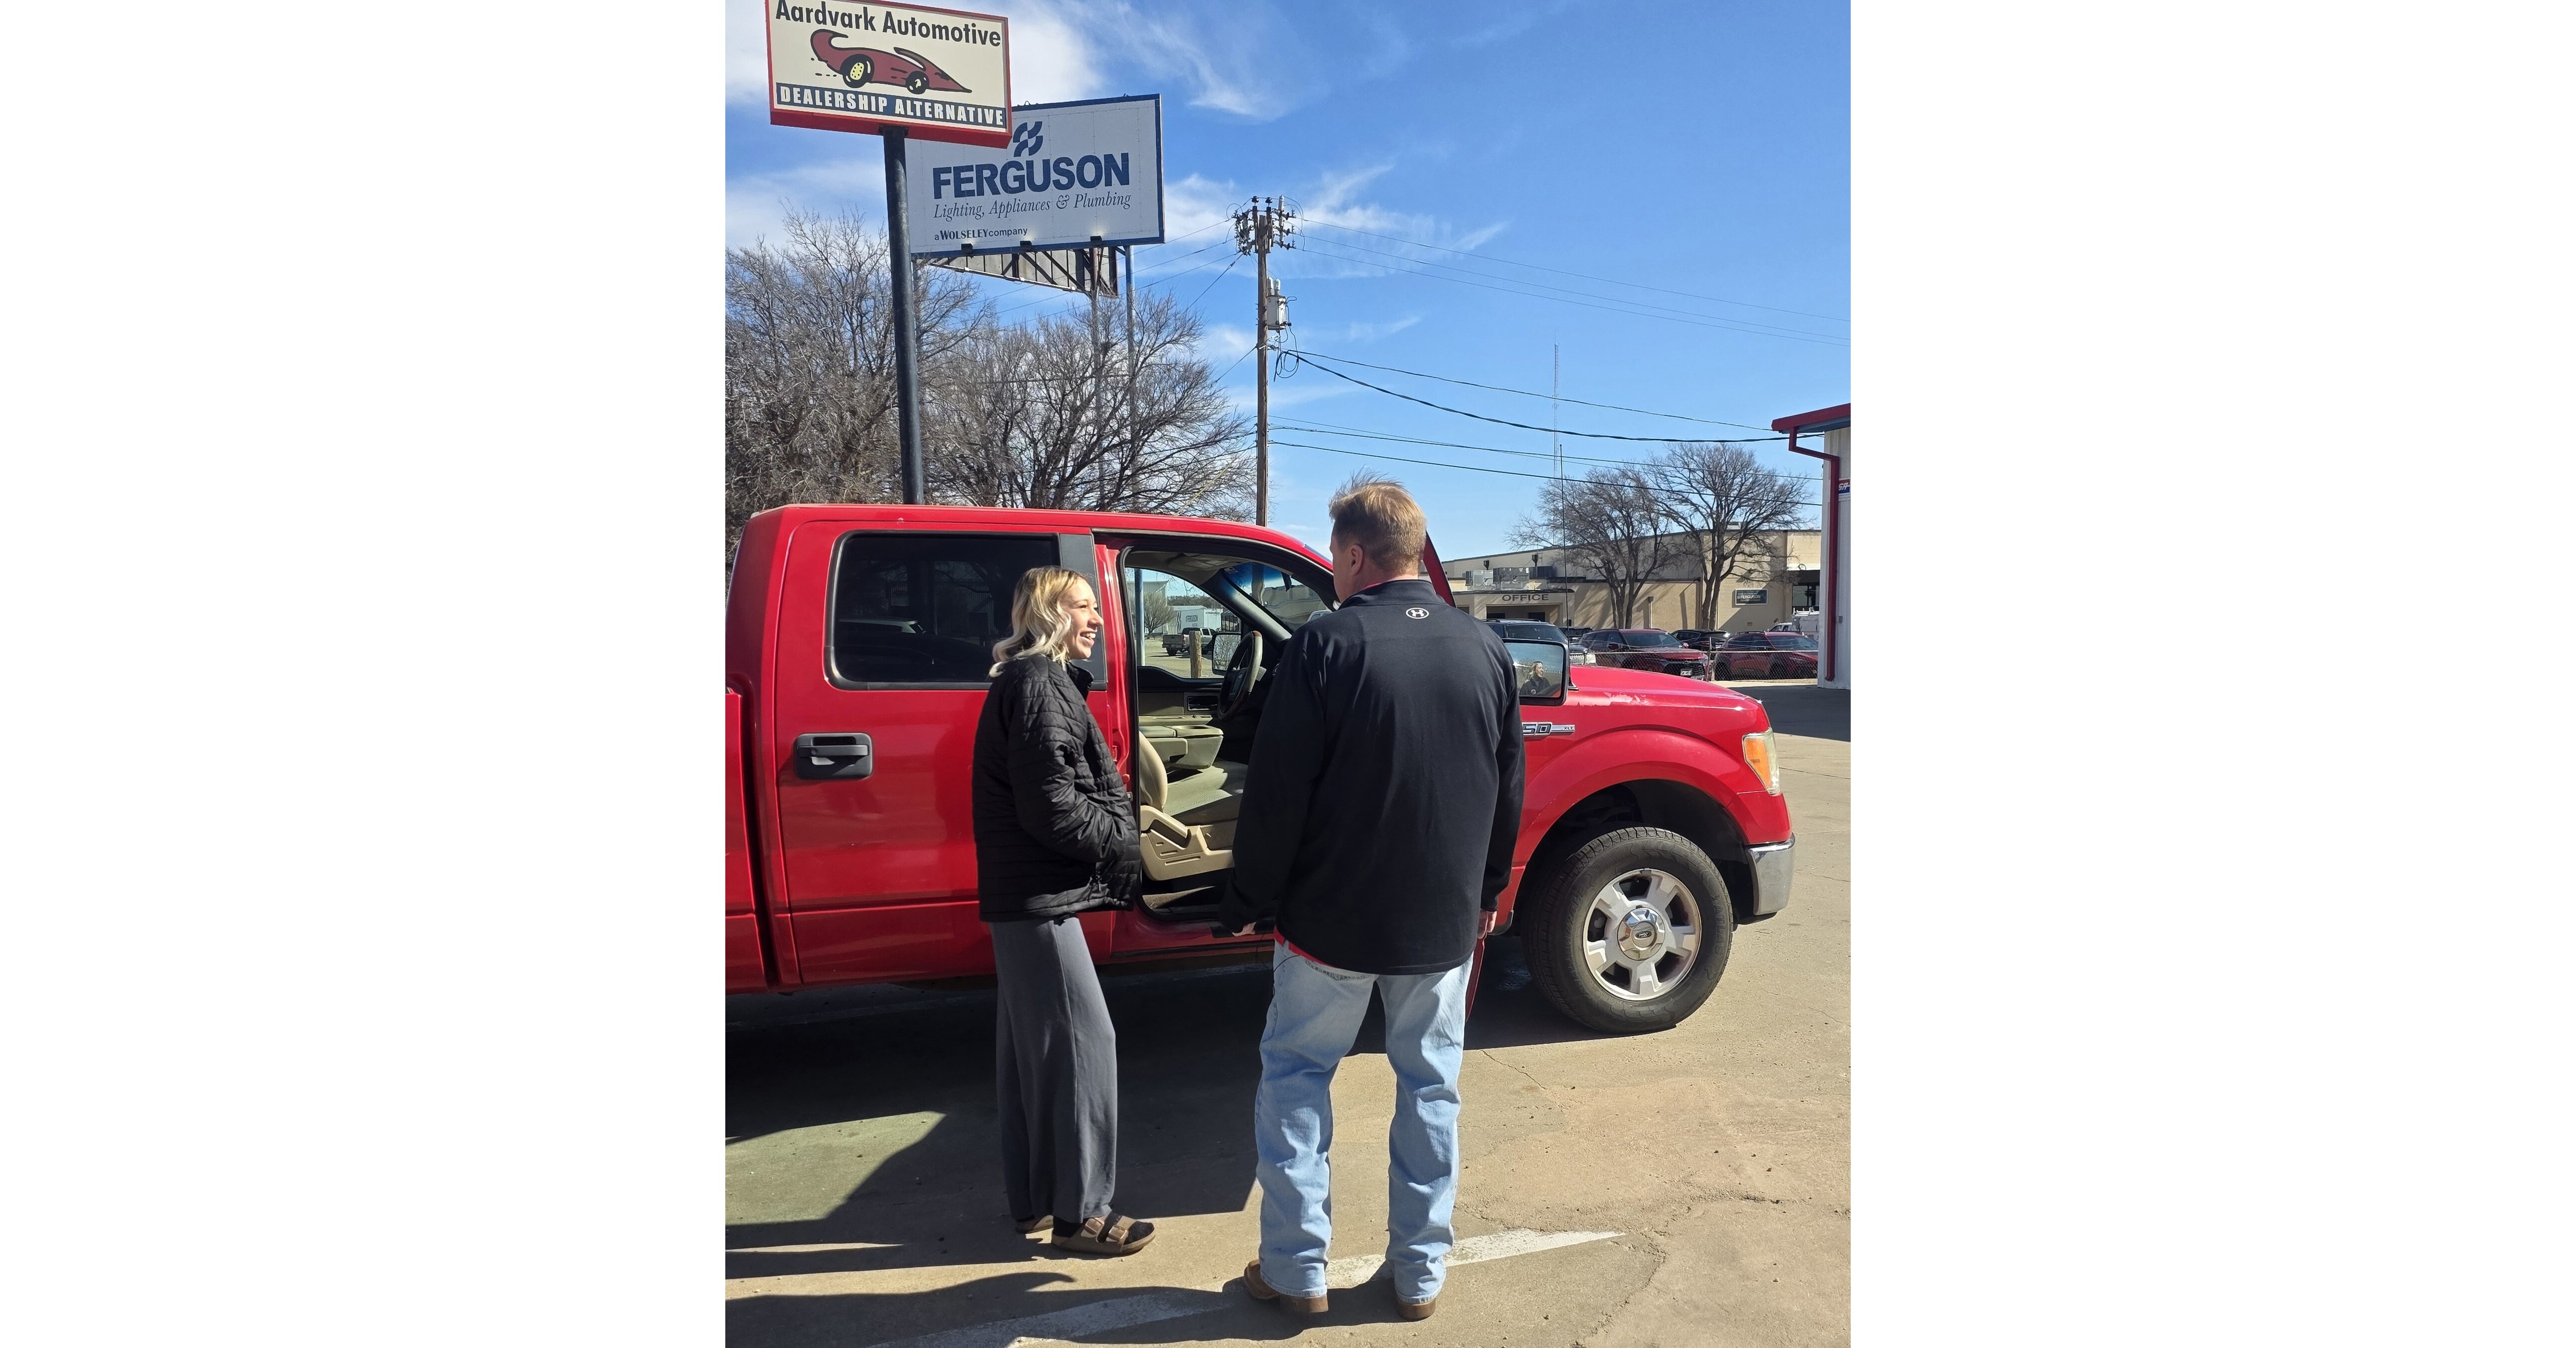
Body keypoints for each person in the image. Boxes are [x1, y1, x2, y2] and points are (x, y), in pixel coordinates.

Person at [1219, 475, 1526, 1320]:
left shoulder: (1323, 646)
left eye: (1334, 558)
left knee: (1295, 1080)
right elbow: (1508, 791)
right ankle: (1420, 1276)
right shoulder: (1484, 648)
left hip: (1328, 923)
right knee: (1430, 1089)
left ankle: (1294, 1270)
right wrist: (1488, 893)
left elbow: (1278, 793)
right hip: (1440, 924)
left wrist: (1251, 892)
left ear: (1355, 556)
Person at [971, 565, 1155, 1257]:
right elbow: (1050, 805)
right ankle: (1082, 1214)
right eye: (1082, 607)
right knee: (1085, 1047)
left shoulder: (1030, 682)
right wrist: (1125, 847)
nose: (1096, 619)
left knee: (1032, 1056)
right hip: (1038, 899)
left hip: (1026, 896)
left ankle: (1034, 1204)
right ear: (1048, 614)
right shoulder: (1039, 684)